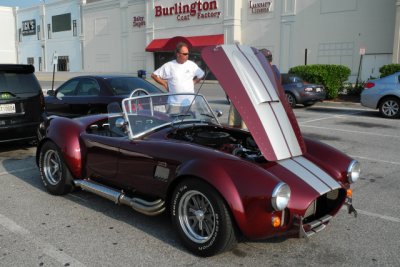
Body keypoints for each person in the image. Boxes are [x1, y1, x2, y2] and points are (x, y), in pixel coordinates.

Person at [151, 42, 205, 110]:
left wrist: (194, 82)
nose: (187, 55)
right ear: (178, 54)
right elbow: (154, 75)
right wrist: (164, 84)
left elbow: (201, 74)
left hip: (189, 103)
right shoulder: (169, 66)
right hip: (174, 104)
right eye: (185, 54)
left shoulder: (191, 65)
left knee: (190, 120)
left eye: (188, 53)